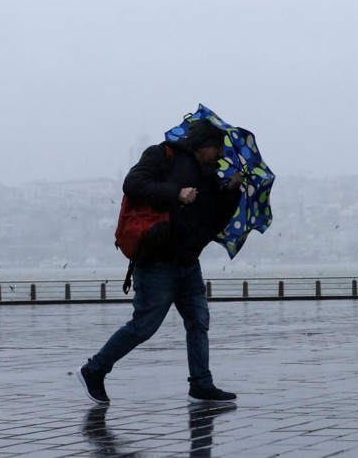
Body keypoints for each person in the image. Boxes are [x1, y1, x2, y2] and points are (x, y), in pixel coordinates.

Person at [77, 119, 243, 405]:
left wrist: (230, 192)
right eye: (217, 147)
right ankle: (95, 369)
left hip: (188, 263)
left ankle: (201, 385)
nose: (221, 154)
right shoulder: (161, 155)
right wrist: (176, 194)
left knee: (198, 322)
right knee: (144, 325)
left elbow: (214, 223)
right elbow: (133, 184)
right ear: (203, 145)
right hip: (157, 262)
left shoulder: (209, 176)